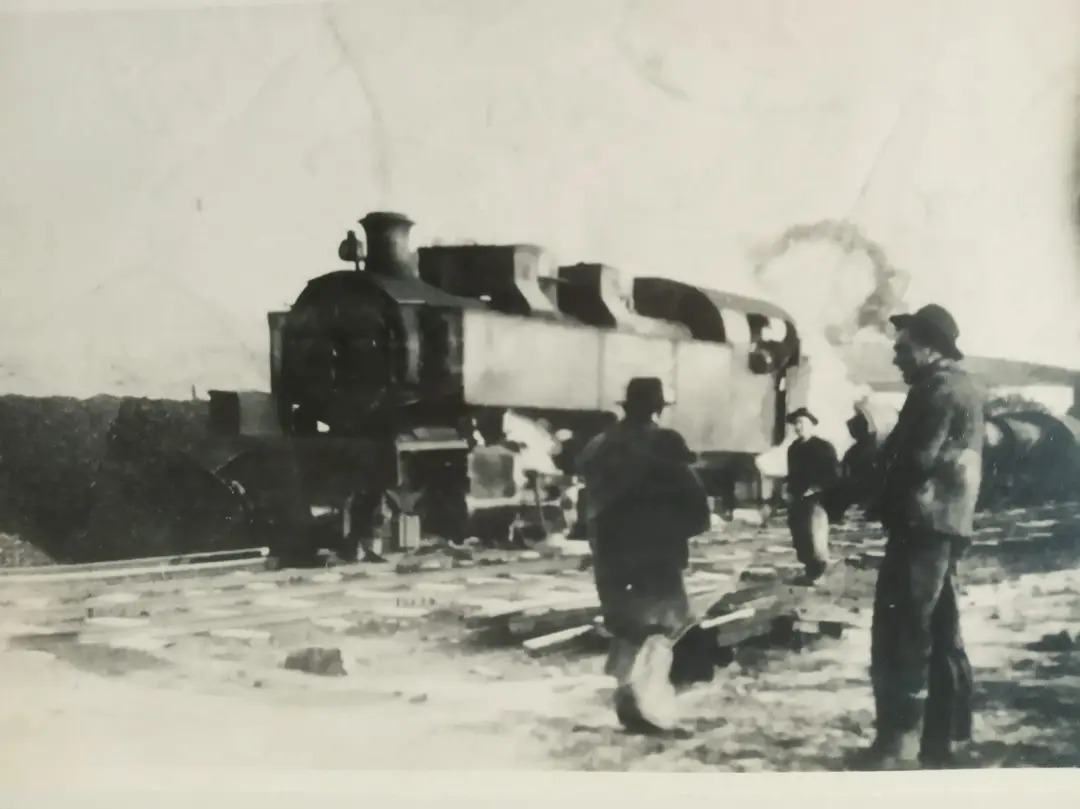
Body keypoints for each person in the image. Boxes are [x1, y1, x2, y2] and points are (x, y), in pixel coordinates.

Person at [854, 303, 985, 770]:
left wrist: (872, 485)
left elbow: (915, 460)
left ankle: (897, 745)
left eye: (902, 349)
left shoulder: (936, 390)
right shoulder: (961, 386)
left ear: (928, 346)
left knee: (900, 630)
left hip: (921, 524)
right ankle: (946, 737)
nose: (896, 358)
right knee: (941, 628)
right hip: (944, 524)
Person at [576, 377, 711, 733]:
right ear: (657, 408)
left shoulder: (598, 446)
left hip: (611, 553)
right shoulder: (664, 443)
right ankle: (650, 711)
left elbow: (586, 502)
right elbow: (693, 500)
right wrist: (689, 525)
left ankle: (626, 699)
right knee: (661, 627)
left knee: (625, 624)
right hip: (655, 552)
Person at [784, 407, 839, 583]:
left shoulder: (823, 447)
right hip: (798, 498)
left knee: (815, 534)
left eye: (802, 423)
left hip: (817, 498)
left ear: (811, 425)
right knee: (800, 534)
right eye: (796, 424)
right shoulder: (793, 449)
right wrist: (789, 490)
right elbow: (793, 474)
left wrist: (816, 488)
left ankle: (819, 571)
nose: (798, 427)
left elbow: (832, 474)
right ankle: (809, 570)